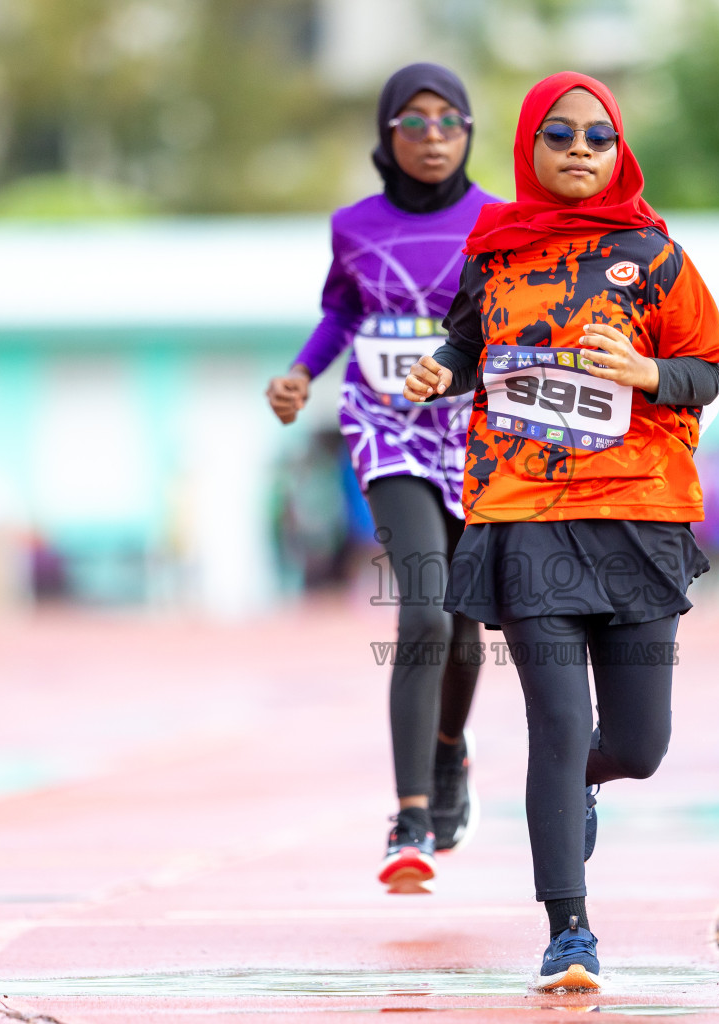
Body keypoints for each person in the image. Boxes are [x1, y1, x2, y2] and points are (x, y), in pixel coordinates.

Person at [402, 71, 719, 991]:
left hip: (637, 513)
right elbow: (469, 344)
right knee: (558, 724)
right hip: (526, 514)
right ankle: (570, 931)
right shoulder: (495, 252)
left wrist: (642, 369)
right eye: (560, 135)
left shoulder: (655, 255)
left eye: (598, 136)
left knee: (637, 746)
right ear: (529, 148)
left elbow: (705, 373)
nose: (581, 149)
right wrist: (439, 370)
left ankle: (583, 779)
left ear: (619, 148)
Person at [264, 63, 498, 893]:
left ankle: (448, 754)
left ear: (470, 131)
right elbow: (343, 313)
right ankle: (410, 818)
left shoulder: (500, 223)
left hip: (474, 429)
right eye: (414, 120)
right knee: (426, 609)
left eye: (449, 120)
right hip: (388, 428)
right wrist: (301, 373)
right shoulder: (353, 227)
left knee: (468, 624)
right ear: (386, 134)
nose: (432, 136)